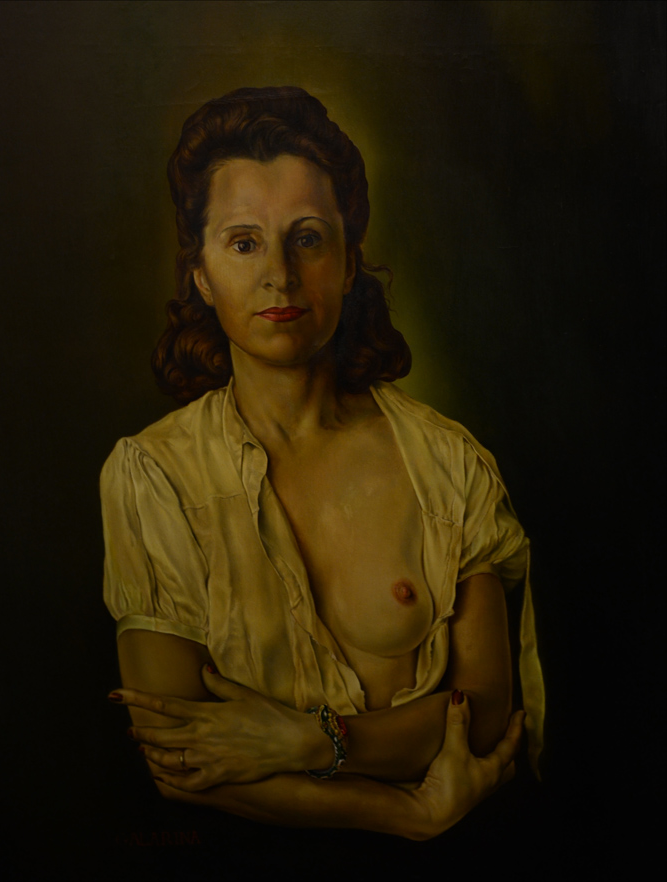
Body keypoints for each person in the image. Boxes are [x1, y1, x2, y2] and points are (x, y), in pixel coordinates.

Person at [101, 86, 544, 839]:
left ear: (347, 263)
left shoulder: (446, 461)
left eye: (307, 238)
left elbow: (486, 711)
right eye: (244, 243)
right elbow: (179, 756)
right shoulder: (152, 476)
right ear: (201, 274)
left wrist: (310, 741)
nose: (279, 274)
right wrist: (408, 812)